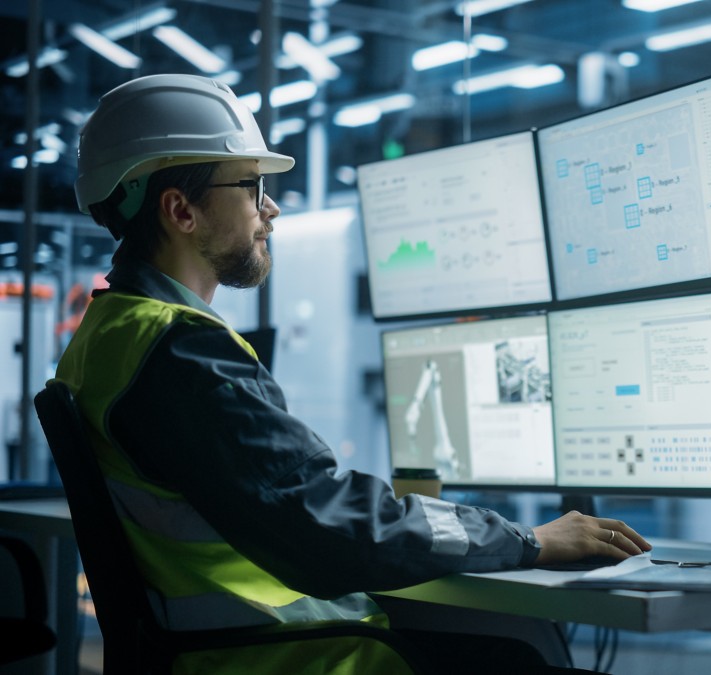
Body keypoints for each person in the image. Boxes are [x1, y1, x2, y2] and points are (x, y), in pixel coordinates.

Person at [55, 73, 651, 674]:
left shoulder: (107, 336)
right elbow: (328, 526)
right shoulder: (180, 350)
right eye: (251, 184)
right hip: (302, 660)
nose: (271, 207)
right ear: (180, 209)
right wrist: (529, 540)